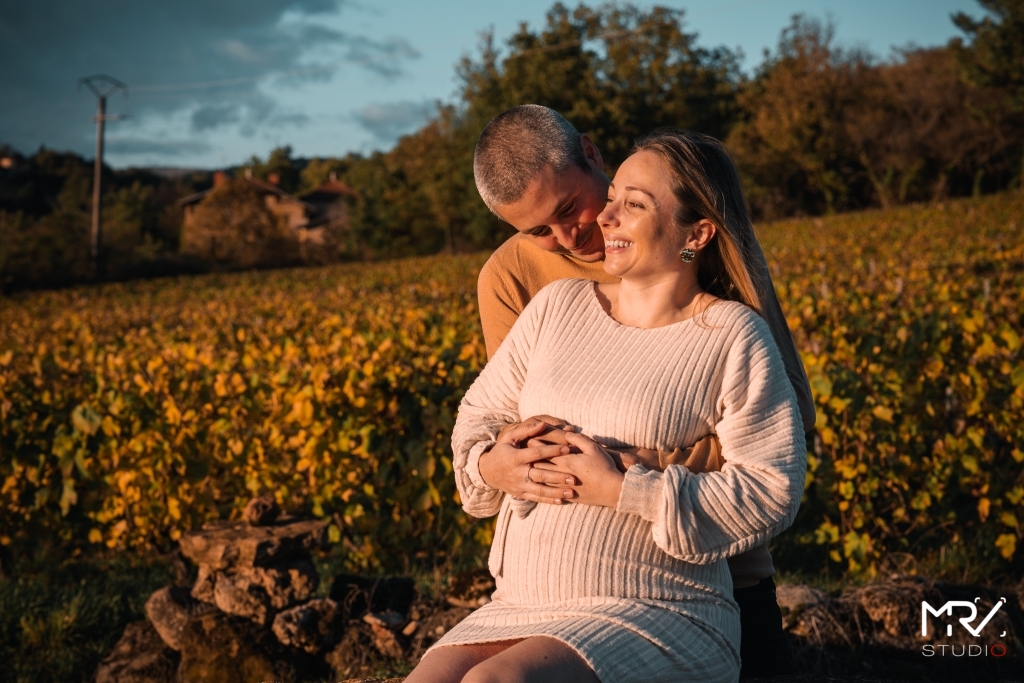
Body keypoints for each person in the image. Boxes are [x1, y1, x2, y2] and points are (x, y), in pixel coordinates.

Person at [404, 129, 807, 683]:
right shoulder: (540, 295)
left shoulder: (731, 328)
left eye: (576, 207)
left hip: (670, 590)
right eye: (538, 230)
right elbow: (497, 418)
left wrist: (627, 475)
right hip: (528, 594)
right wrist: (492, 463)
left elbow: (776, 462)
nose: (584, 229)